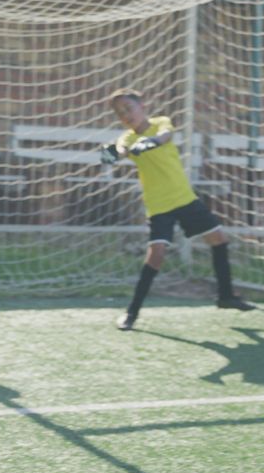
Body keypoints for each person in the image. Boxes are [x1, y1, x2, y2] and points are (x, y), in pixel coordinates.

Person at [101, 88, 254, 331]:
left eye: (129, 108)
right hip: (159, 206)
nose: (126, 115)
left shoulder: (161, 122)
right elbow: (117, 152)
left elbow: (165, 135)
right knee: (157, 254)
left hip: (185, 199)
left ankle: (226, 296)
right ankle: (131, 313)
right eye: (120, 113)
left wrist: (150, 142)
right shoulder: (126, 139)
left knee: (219, 240)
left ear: (142, 106)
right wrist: (111, 154)